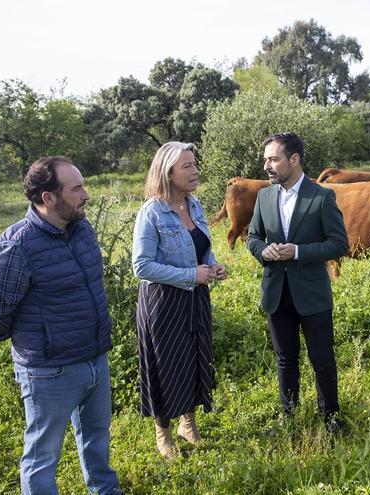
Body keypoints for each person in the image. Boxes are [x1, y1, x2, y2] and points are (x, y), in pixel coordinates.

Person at [0, 156, 122, 495]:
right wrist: (38, 341)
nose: (86, 194)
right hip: (49, 372)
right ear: (48, 198)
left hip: (95, 357)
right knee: (42, 456)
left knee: (97, 440)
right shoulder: (18, 245)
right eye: (77, 188)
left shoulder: (82, 229)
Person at [246, 132, 349, 434]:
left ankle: (330, 417)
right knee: (285, 358)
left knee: (322, 359)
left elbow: (339, 244)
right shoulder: (264, 196)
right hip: (277, 292)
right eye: (265, 159)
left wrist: (299, 251)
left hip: (312, 293)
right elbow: (253, 237)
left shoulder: (321, 196)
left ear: (294, 160)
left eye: (273, 159)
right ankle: (287, 416)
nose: (267, 165)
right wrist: (263, 251)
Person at [131, 142, 227, 459]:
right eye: (187, 165)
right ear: (167, 172)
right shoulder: (152, 212)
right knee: (165, 365)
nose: (195, 170)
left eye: (194, 163)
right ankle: (164, 433)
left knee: (194, 359)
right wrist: (190, 274)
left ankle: (189, 424)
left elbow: (201, 247)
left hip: (195, 297)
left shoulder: (195, 204)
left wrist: (212, 265)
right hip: (163, 302)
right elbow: (141, 266)